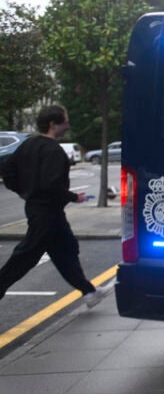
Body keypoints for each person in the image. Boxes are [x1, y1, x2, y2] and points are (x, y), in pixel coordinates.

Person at [0, 105, 114, 307]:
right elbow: (51, 185)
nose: (68, 125)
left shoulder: (28, 145)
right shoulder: (53, 150)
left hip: (42, 209)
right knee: (26, 256)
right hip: (46, 212)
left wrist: (25, 191)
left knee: (66, 249)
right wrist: (73, 197)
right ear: (53, 124)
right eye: (65, 121)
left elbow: (8, 172)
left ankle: (88, 292)